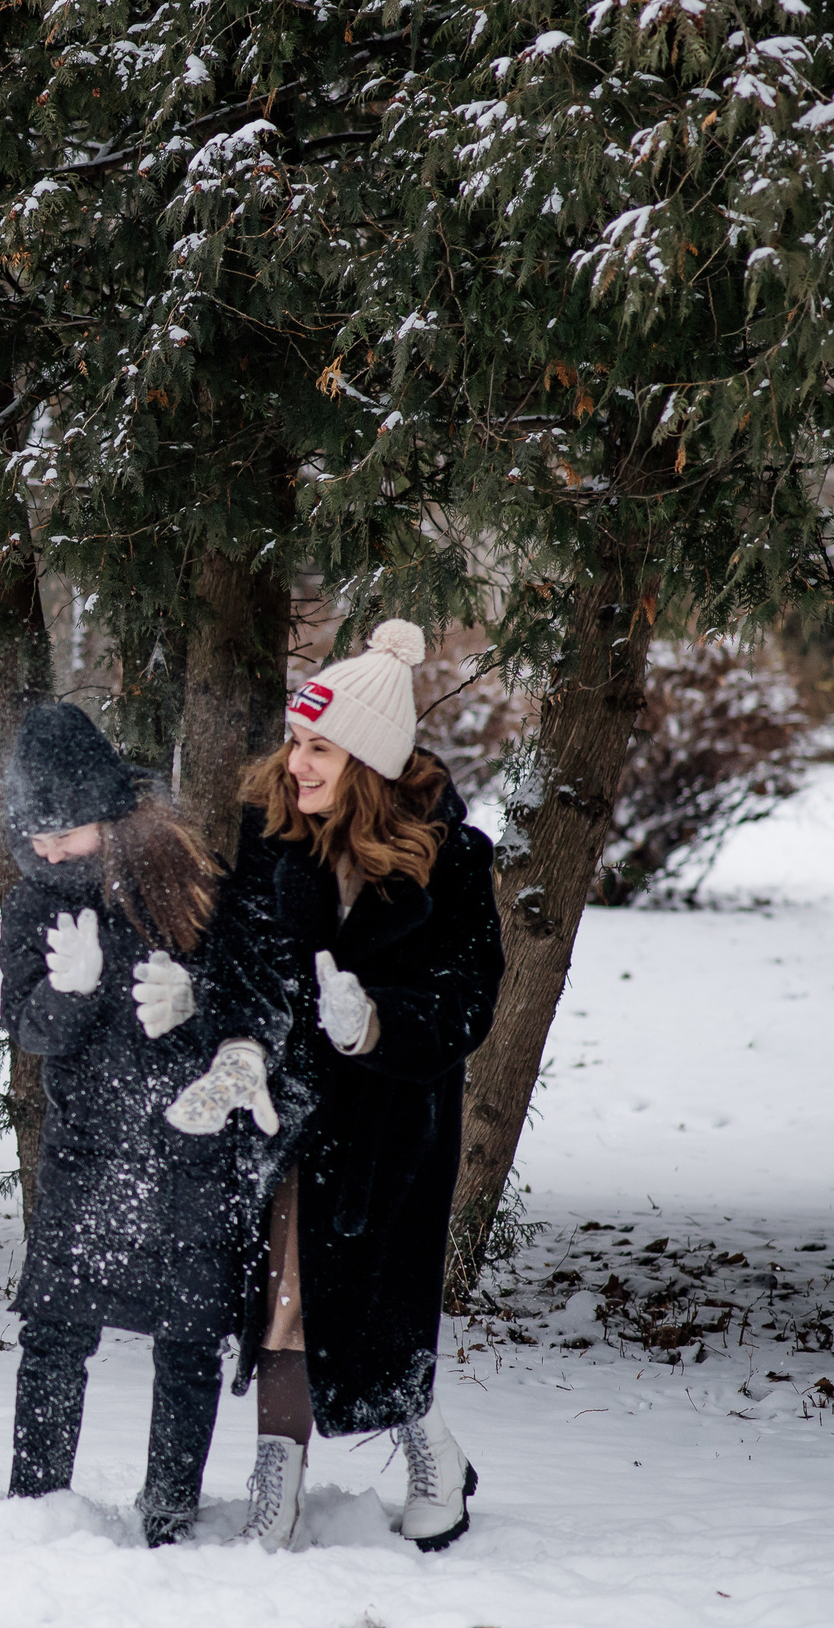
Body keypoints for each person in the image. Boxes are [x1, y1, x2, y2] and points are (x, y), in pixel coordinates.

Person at [228, 619, 504, 1553]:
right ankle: (278, 1472)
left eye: (318, 747)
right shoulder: (270, 838)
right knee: (284, 1294)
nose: (295, 763)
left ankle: (430, 1446)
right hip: (289, 1112)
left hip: (392, 1128)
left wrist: (378, 1021)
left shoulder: (454, 859)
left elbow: (469, 1000)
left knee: (375, 1310)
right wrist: (211, 1006)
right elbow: (236, 956)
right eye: (294, 741)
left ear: (368, 762)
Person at [0, 702, 297, 1546]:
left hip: (190, 1146)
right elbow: (26, 1027)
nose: (48, 848)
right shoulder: (34, 906)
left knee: (189, 1341)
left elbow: (253, 1003)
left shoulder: (183, 871)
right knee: (55, 1332)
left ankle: (169, 1515)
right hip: (88, 1151)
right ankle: (34, 1505)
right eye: (34, 832)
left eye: (62, 830)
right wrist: (72, 990)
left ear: (105, 807)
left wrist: (195, 1006)